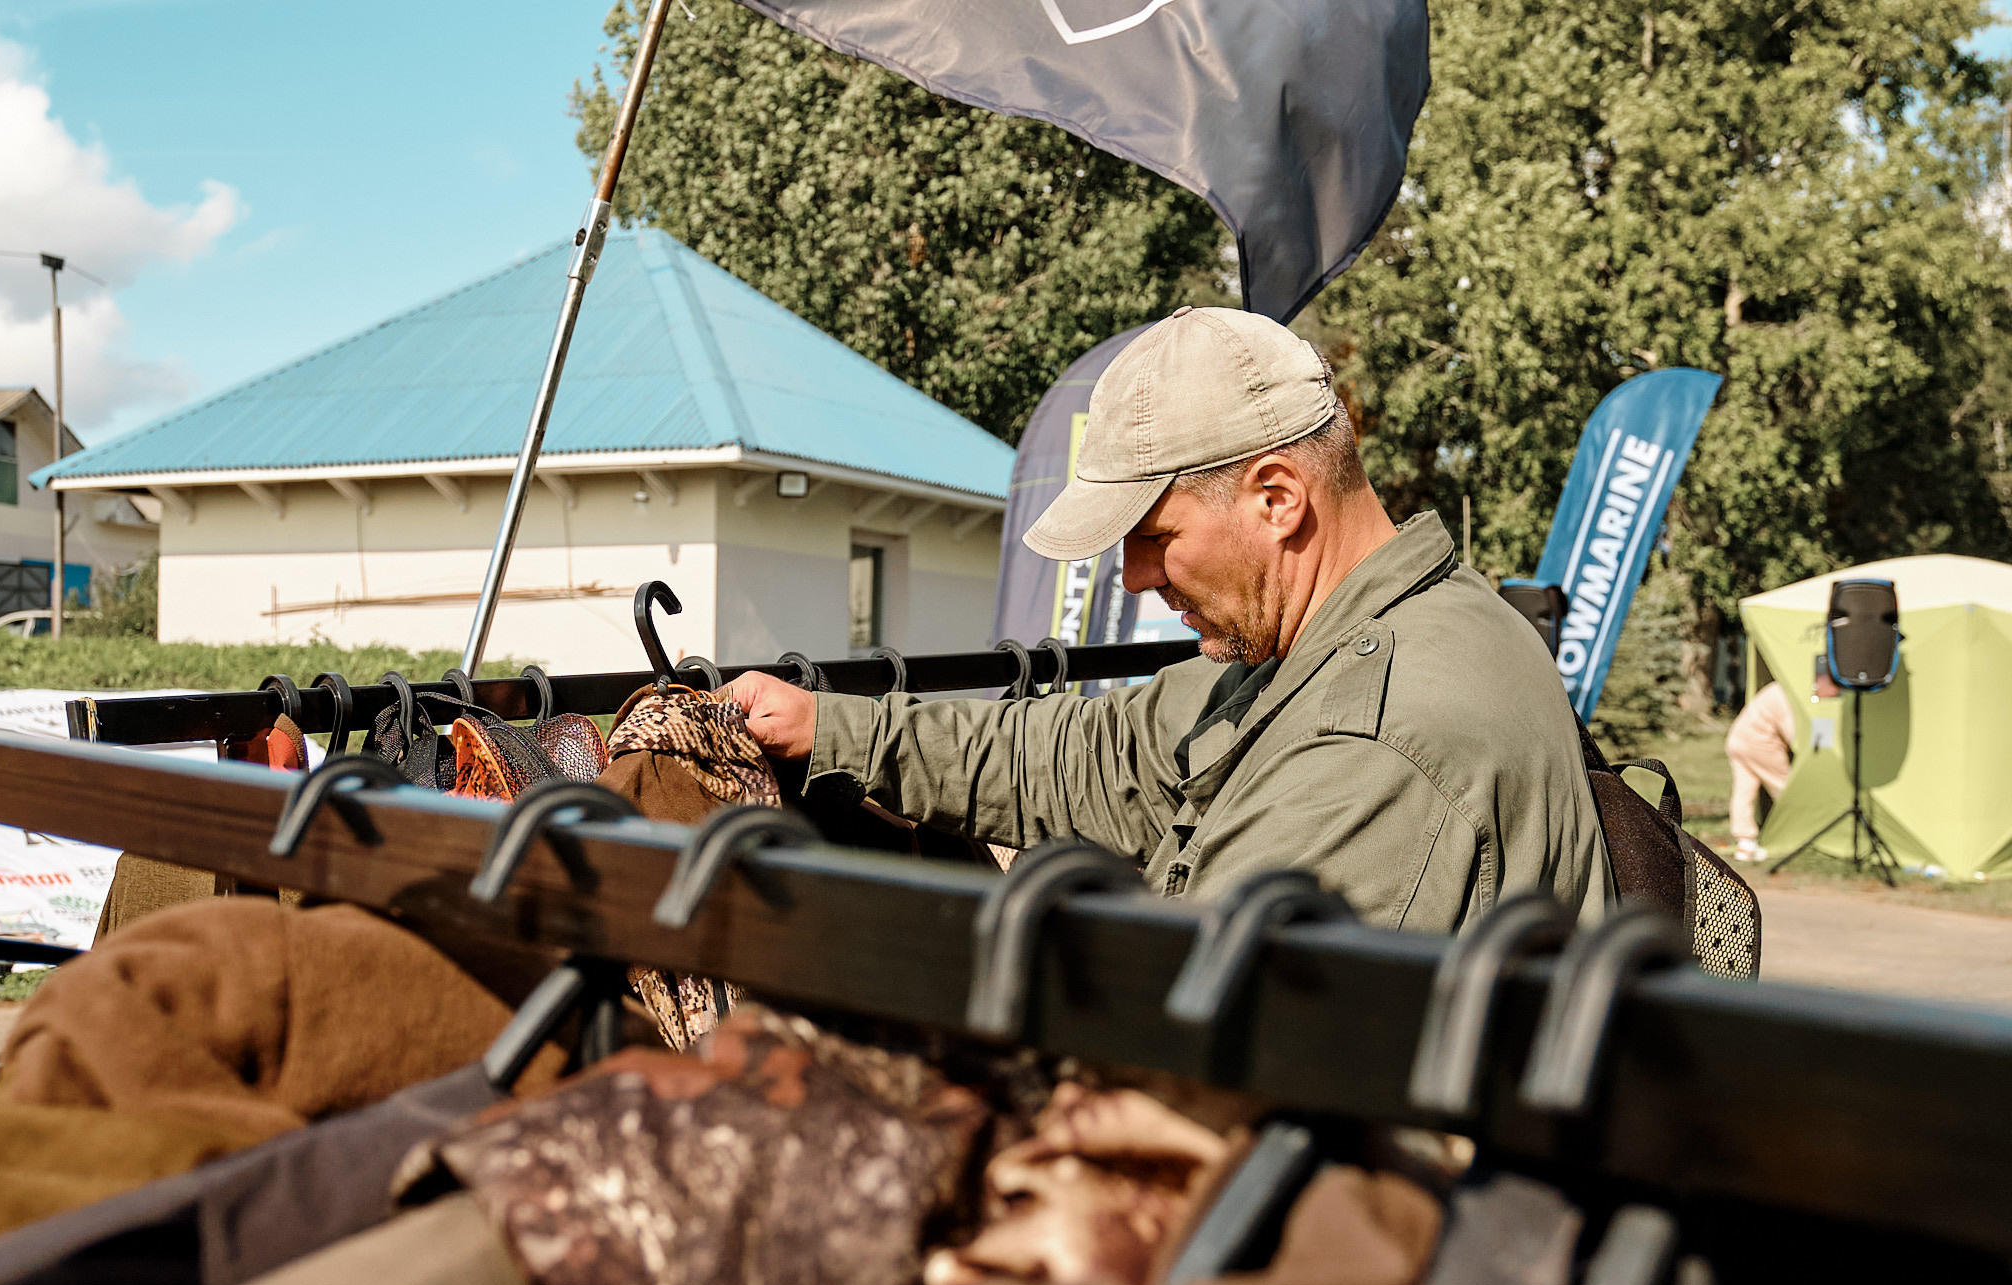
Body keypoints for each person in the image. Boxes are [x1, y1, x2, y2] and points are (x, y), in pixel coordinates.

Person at [726, 307, 1612, 933]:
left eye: (1154, 537)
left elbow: (1187, 1048)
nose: (1136, 576)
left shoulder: (1376, 743)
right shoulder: (1320, 653)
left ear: (1277, 498)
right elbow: (1094, 755)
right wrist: (831, 726)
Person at [1725, 671, 1821, 863]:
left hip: (1736, 740)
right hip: (1760, 745)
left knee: (1744, 791)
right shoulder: (1784, 696)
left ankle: (1745, 843)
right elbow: (1792, 735)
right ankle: (1803, 836)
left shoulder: (1774, 689)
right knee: (1786, 787)